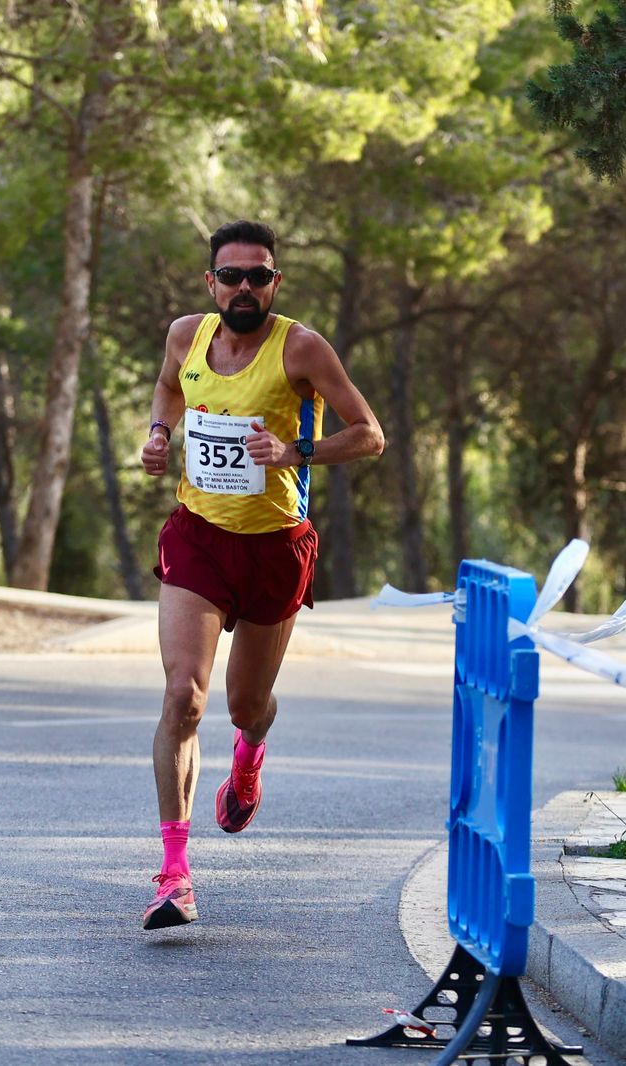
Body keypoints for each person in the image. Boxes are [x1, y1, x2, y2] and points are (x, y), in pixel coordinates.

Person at [137, 220, 384, 929]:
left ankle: (249, 754)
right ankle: (174, 873)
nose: (245, 287)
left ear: (276, 284)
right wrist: (159, 435)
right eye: (232, 276)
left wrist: (294, 450)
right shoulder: (185, 336)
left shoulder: (301, 347)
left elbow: (368, 434)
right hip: (199, 539)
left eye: (259, 276)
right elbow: (167, 388)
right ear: (209, 283)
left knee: (246, 705)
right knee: (183, 697)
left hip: (276, 546)